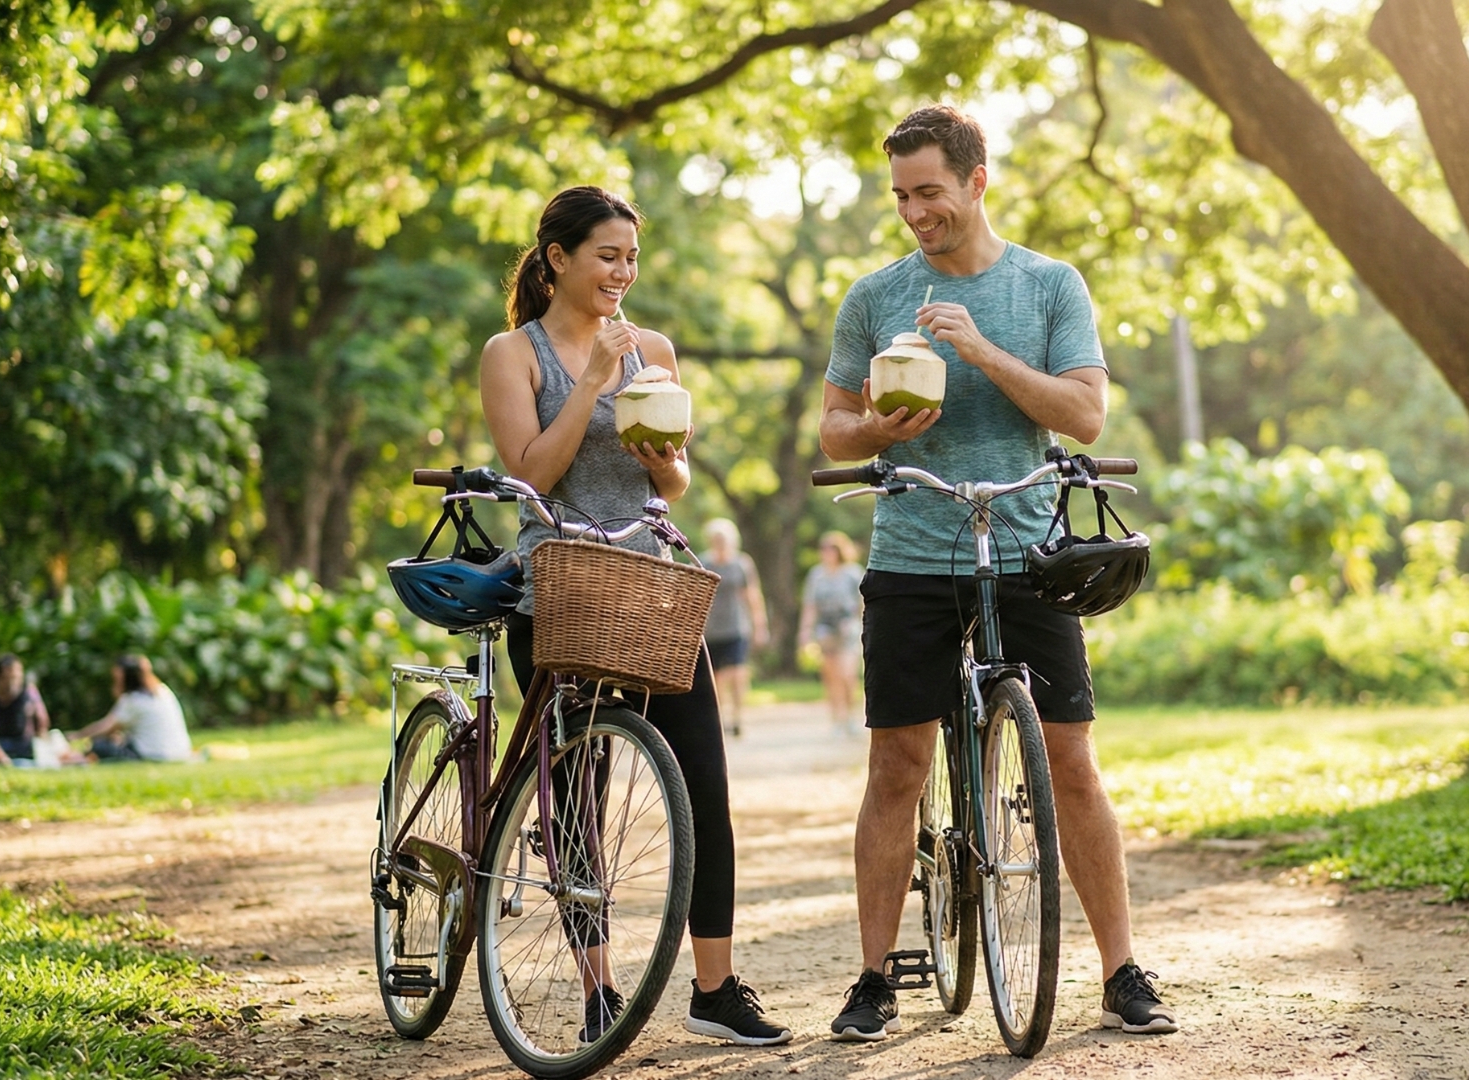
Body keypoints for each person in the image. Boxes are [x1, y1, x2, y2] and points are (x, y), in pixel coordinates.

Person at [817, 106, 1176, 1041]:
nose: (914, 212)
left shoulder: (1050, 286)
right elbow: (833, 429)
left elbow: (1085, 416)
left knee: (1070, 762)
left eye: (929, 191)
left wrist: (978, 350)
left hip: (1027, 549)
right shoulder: (873, 296)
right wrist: (877, 432)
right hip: (910, 551)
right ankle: (872, 978)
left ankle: (1123, 969)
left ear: (978, 182)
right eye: (900, 195)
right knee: (897, 764)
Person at [477, 184, 790, 1047]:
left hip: (650, 591)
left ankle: (716, 989)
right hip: (560, 591)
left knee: (705, 787)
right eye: (607, 255)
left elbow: (674, 480)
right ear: (558, 260)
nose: (623, 272)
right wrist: (593, 384)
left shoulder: (655, 347)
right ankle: (599, 991)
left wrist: (664, 460)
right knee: (576, 796)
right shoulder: (516, 354)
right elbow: (530, 475)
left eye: (631, 257)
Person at [700, 518, 769, 738]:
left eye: (724, 538)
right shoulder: (703, 562)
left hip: (737, 626)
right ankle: (721, 718)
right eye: (717, 538)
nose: (720, 542)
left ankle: (738, 716)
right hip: (711, 629)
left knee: (737, 673)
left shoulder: (741, 563)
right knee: (717, 678)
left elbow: (752, 594)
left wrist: (760, 625)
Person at [797, 531, 864, 733]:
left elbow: (862, 602)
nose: (827, 553)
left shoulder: (852, 573)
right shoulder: (816, 575)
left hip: (847, 627)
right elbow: (810, 605)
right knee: (830, 675)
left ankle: (851, 715)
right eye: (824, 549)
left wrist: (860, 624)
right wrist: (805, 631)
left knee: (847, 674)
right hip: (825, 627)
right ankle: (836, 718)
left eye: (831, 549)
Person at [75, 654, 194, 763]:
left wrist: (78, 736)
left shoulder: (132, 700)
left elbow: (106, 728)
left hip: (154, 755)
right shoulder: (162, 690)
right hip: (181, 752)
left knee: (99, 746)